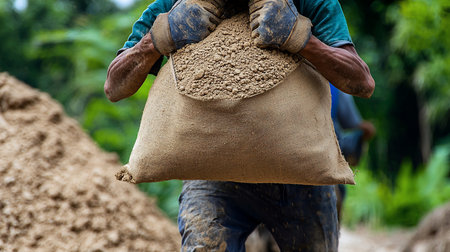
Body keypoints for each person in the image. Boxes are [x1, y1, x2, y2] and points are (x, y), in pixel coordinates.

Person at [104, 0, 375, 251]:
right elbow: (114, 87)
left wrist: (300, 38)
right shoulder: (175, 5)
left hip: (302, 181)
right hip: (212, 181)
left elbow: (362, 82)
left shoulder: (309, 3)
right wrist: (157, 39)